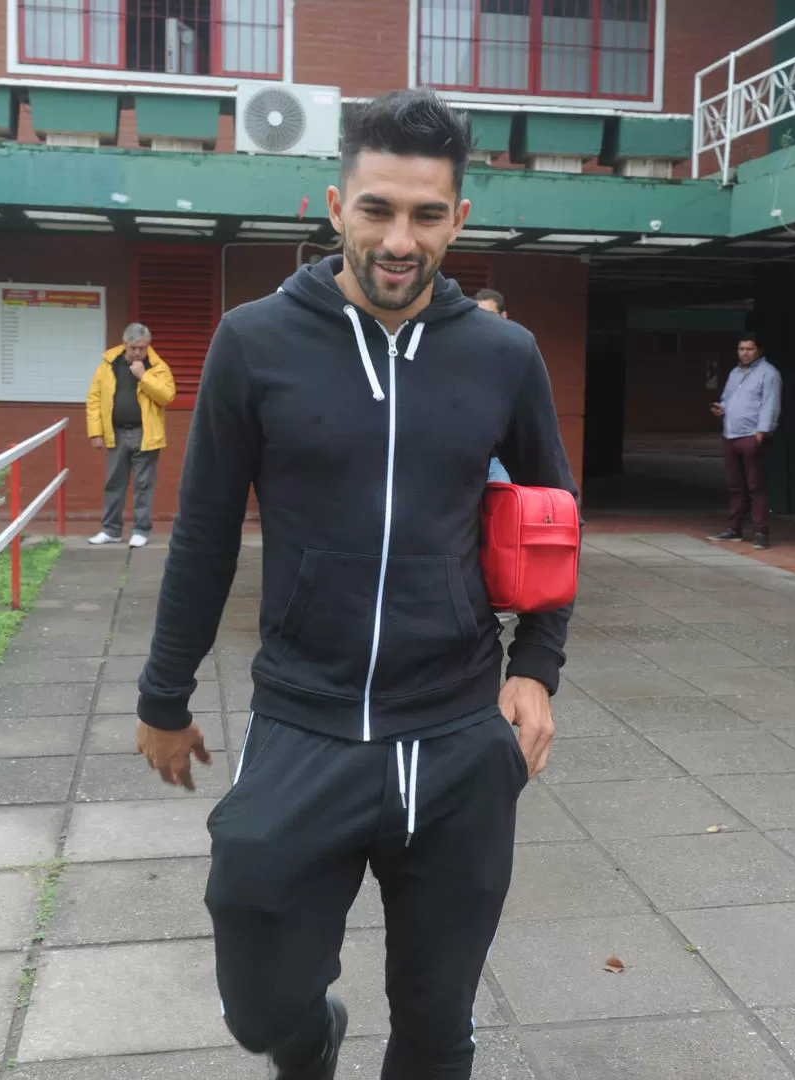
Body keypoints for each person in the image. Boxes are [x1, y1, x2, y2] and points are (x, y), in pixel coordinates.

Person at [135, 89, 577, 1080]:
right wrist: (163, 696)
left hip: (457, 735)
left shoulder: (503, 356)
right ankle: (307, 1041)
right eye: (377, 209)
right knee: (260, 993)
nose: (398, 239)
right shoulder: (255, 343)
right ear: (334, 204)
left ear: (458, 219)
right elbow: (204, 532)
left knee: (436, 1022)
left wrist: (537, 665)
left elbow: (551, 516)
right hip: (306, 719)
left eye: (425, 215)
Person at [85, 323, 175, 548]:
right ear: (124, 344)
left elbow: (167, 396)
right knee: (114, 483)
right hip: (115, 433)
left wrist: (143, 376)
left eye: (142, 348)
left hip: (146, 433)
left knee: (144, 484)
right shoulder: (108, 364)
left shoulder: (156, 366)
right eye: (133, 347)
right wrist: (95, 432)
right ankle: (111, 530)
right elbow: (94, 398)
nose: (137, 353)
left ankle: (141, 531)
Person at [707, 332, 782, 550]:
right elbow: (727, 398)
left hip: (752, 436)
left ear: (759, 350)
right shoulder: (735, 373)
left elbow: (771, 404)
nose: (745, 353)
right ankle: (734, 529)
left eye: (749, 349)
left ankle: (761, 532)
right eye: (741, 349)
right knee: (735, 486)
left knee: (755, 486)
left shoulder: (769, 374)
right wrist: (721, 408)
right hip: (731, 434)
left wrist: (762, 431)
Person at [475, 289, 512, 484]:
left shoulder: (518, 351)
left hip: (500, 458)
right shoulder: (465, 352)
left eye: (489, 315)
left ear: (503, 316)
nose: (483, 322)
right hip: (470, 456)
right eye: (477, 316)